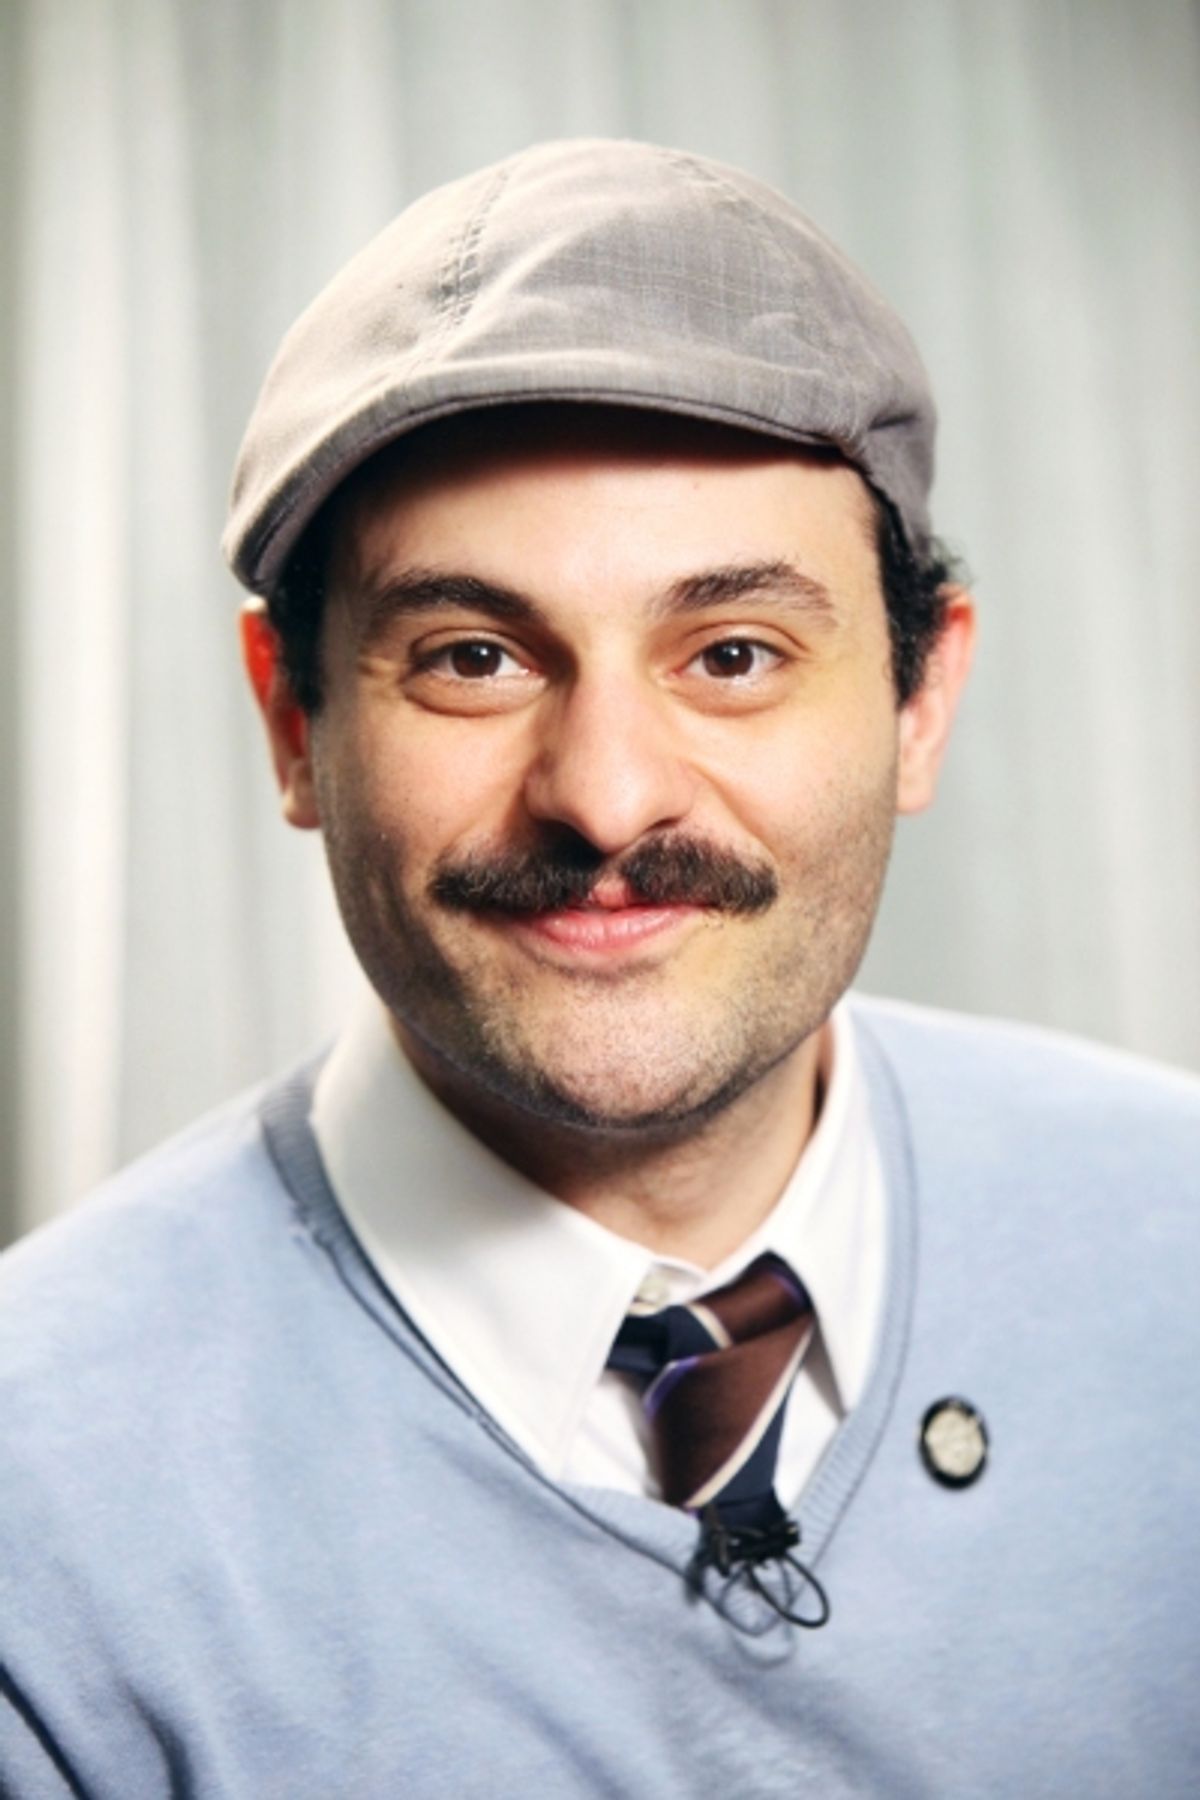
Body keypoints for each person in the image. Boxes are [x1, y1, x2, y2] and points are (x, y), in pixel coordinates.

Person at [2, 139, 1197, 1799]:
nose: (611, 791)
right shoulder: (33, 1507)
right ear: (294, 722)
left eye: (733, 653)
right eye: (474, 656)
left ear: (923, 700)